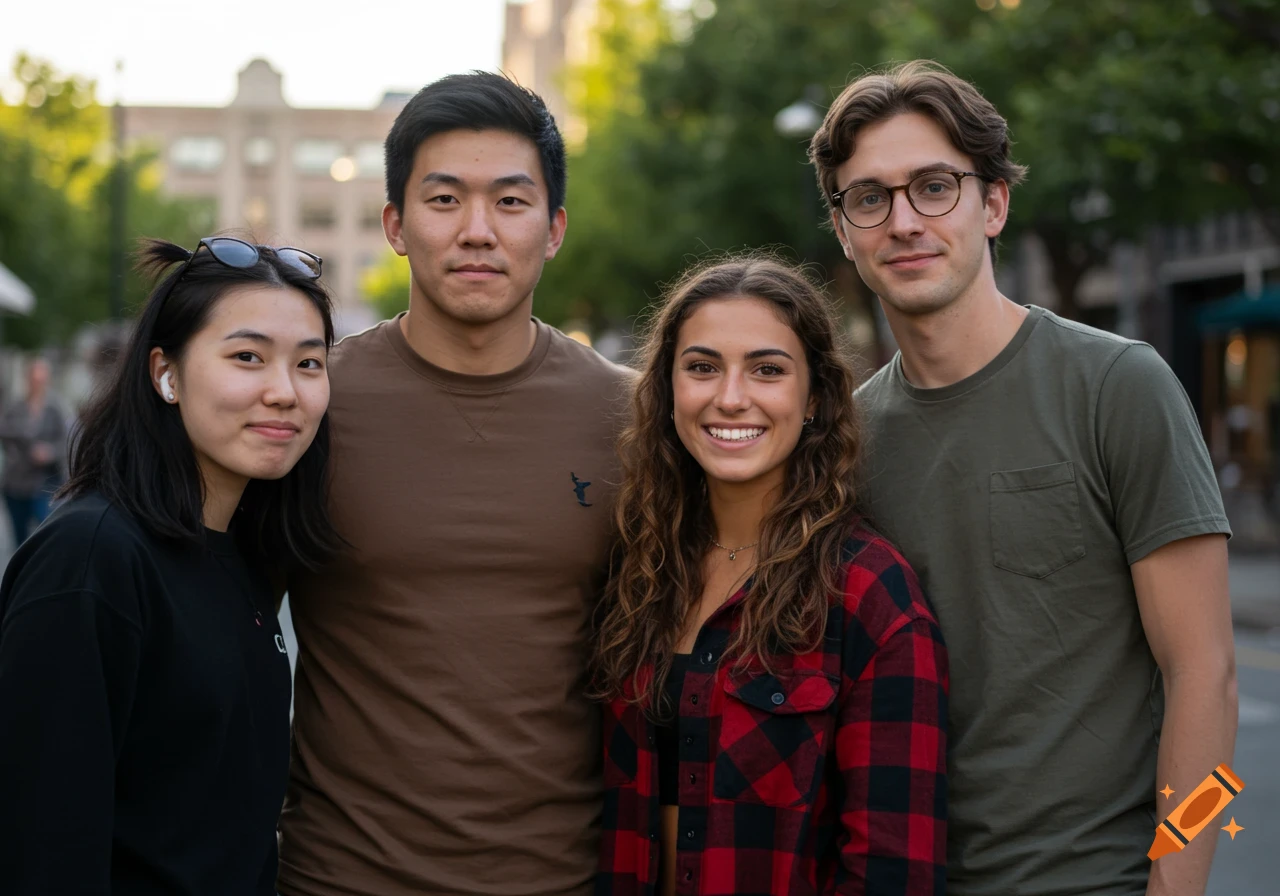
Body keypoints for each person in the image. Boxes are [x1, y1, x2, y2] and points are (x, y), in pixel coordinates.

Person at [808, 61, 1236, 896]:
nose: (904, 221)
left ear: (993, 203)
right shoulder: (843, 443)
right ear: (843, 230)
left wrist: (1178, 888)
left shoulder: (1119, 386)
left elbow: (1208, 676)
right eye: (870, 198)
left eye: (934, 187)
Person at [277, 72, 633, 896]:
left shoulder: (632, 411)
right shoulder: (308, 403)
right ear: (397, 226)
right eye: (444, 201)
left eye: (511, 202)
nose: (478, 231)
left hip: (564, 877)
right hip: (341, 876)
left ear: (555, 229)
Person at [591, 256, 948, 895]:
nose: (731, 397)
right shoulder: (640, 570)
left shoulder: (868, 593)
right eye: (701, 367)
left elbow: (894, 868)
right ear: (668, 388)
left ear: (813, 397)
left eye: (767, 370)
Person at [0, 236, 343, 895]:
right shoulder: (92, 559)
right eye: (248, 357)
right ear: (166, 373)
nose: (284, 392)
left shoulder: (244, 555)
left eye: (309, 364)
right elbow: (39, 846)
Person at [0, 357, 68, 544]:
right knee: (19, 538)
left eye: (41, 379)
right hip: (16, 482)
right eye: (34, 378)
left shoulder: (55, 408)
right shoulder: (15, 407)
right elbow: (5, 433)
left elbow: (65, 442)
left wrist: (49, 452)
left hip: (44, 483)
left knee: (44, 534)